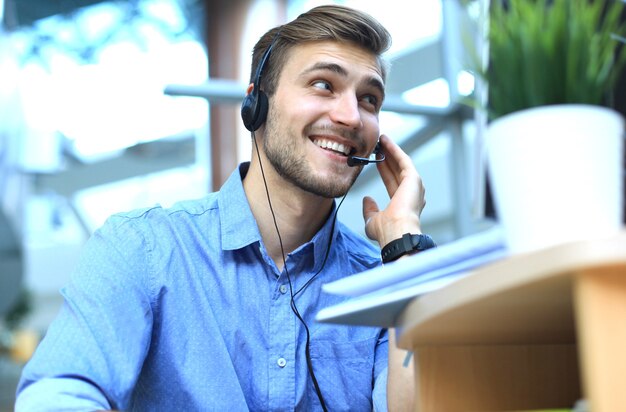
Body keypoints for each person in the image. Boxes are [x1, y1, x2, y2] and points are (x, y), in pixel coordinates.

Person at [16, 5, 430, 411]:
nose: (350, 116)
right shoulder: (142, 248)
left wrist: (404, 242)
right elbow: (60, 392)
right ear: (256, 106)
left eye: (369, 98)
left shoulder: (385, 281)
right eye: (323, 84)